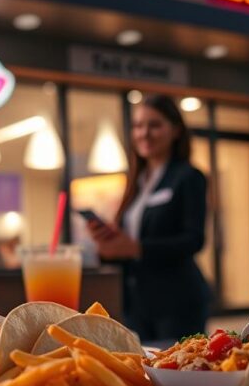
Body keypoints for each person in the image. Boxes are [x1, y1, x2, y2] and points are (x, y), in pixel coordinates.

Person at [87, 95, 209, 341]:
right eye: (138, 126)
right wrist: (108, 246)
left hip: (177, 300)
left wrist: (136, 248)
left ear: (175, 130)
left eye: (154, 125)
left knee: (179, 372)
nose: (144, 133)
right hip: (137, 303)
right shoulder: (136, 183)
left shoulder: (188, 177)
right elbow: (128, 247)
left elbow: (194, 239)